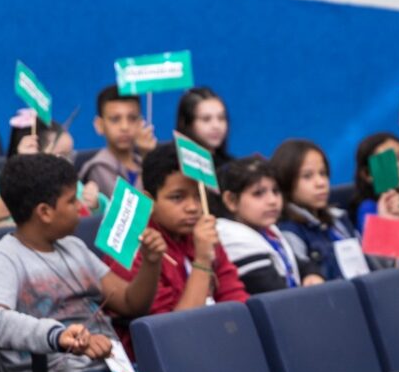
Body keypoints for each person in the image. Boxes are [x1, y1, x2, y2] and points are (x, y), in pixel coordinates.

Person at [0, 154, 166, 372]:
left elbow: (130, 303)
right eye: (71, 200)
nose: (81, 206)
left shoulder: (73, 247)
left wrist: (151, 263)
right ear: (45, 212)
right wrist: (57, 335)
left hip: (112, 368)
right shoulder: (2, 259)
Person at [105, 142, 248, 355]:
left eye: (198, 196)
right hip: (166, 357)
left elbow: (234, 296)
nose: (193, 207)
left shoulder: (200, 231)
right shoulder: (135, 245)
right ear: (150, 200)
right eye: (177, 197)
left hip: (217, 342)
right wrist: (202, 260)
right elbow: (175, 335)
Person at [215, 154, 323, 294]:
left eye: (276, 191)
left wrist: (312, 274)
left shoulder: (267, 229)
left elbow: (297, 264)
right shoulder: (232, 239)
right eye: (258, 193)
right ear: (231, 200)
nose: (272, 201)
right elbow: (275, 294)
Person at [272, 138, 363, 280]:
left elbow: (375, 267)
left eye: (323, 173)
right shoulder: (289, 233)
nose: (321, 183)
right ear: (286, 181)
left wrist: (387, 218)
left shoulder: (339, 218)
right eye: (307, 176)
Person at [78, 85, 157, 197]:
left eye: (132, 118)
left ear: (140, 122)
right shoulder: (99, 167)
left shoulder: (139, 162)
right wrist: (147, 158)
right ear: (99, 125)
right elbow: (129, 204)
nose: (125, 127)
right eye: (115, 119)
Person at [175, 87, 232, 167]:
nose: (216, 126)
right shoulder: (173, 166)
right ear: (188, 123)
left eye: (221, 118)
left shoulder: (232, 167)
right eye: (206, 119)